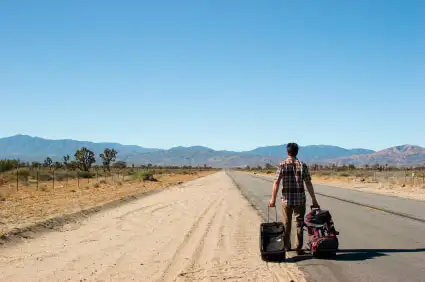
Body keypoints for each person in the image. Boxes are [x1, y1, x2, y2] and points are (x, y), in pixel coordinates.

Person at [268, 142, 319, 255]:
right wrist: (314, 200)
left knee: (286, 223)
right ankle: (298, 248)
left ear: (287, 152)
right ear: (297, 152)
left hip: (286, 200)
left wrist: (273, 199)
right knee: (299, 223)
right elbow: (308, 183)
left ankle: (286, 246)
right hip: (300, 200)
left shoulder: (282, 165)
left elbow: (276, 182)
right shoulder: (302, 165)